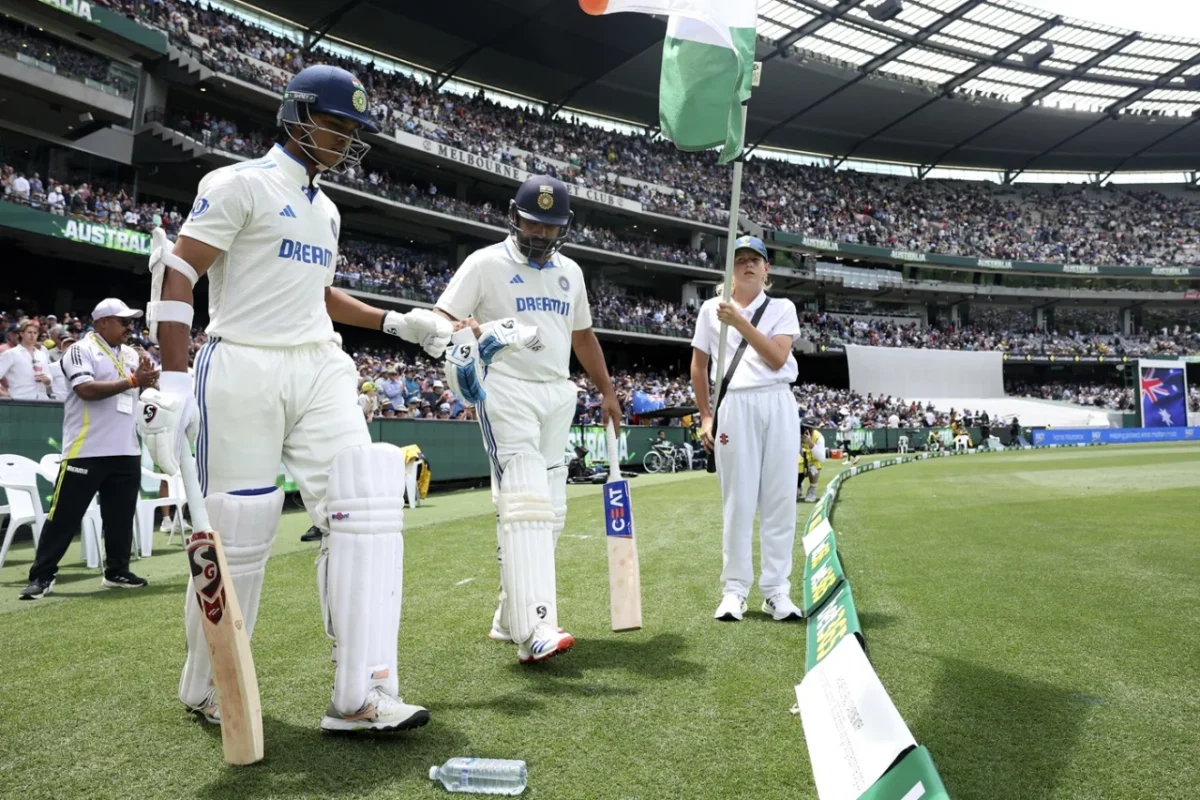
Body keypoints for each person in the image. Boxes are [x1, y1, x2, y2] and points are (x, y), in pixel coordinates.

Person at [135, 65, 455, 733]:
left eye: (353, 130)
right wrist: (171, 381)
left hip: (319, 364)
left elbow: (320, 294)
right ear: (297, 116)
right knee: (241, 528)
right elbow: (179, 271)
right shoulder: (238, 184)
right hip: (242, 359)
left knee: (365, 507)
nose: (346, 139)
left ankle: (361, 696)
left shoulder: (326, 207)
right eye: (337, 124)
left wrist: (395, 322)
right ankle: (208, 684)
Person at [434, 174, 621, 664]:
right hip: (506, 389)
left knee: (552, 512)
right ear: (513, 217)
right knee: (524, 503)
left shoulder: (571, 272)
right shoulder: (485, 263)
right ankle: (533, 627)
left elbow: (583, 336)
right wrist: (463, 329)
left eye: (550, 226)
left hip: (557, 393)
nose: (540, 234)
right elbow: (441, 319)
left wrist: (606, 390)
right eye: (533, 224)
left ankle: (508, 614)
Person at [689, 236, 802, 623]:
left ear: (767, 268)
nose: (748, 265)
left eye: (756, 259)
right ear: (730, 269)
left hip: (777, 399)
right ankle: (734, 590)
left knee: (780, 500)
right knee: (737, 502)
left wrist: (739, 322)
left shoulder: (782, 307)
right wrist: (706, 415)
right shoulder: (710, 310)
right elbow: (698, 365)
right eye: (740, 260)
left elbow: (776, 358)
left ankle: (776, 591)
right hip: (735, 403)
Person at [18, 299, 158, 599]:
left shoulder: (132, 353)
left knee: (120, 517)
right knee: (64, 517)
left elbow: (144, 389)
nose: (129, 327)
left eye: (130, 322)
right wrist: (134, 379)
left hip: (126, 448)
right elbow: (86, 390)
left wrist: (148, 382)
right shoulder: (80, 350)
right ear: (103, 322)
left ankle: (117, 571)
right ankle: (42, 576)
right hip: (86, 450)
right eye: (123, 321)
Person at [0, 319, 52, 400]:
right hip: (20, 400)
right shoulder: (11, 354)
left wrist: (47, 380)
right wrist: (4, 394)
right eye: (29, 332)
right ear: (21, 334)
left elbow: (49, 376)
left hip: (42, 400)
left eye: (35, 333)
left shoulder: (42, 354)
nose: (32, 335)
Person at [798, 417, 825, 503]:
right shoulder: (794, 434)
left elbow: (822, 458)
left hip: (811, 464)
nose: (807, 431)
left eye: (810, 429)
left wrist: (810, 443)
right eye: (804, 428)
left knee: (814, 468)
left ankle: (812, 490)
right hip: (797, 465)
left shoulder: (818, 437)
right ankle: (797, 486)